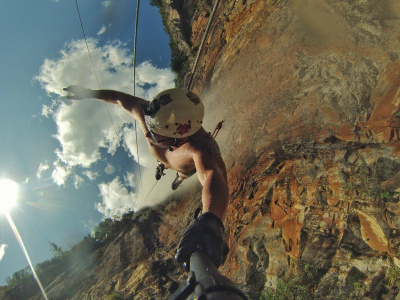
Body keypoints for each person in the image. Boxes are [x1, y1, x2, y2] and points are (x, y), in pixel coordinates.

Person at [63, 85, 229, 267]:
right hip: (170, 161)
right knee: (177, 172)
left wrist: (211, 220)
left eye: (157, 137)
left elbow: (213, 175)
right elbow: (119, 98)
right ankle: (178, 178)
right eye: (150, 128)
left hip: (187, 167)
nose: (150, 134)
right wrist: (90, 92)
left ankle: (180, 178)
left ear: (180, 138)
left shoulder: (202, 148)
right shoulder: (151, 114)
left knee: (182, 175)